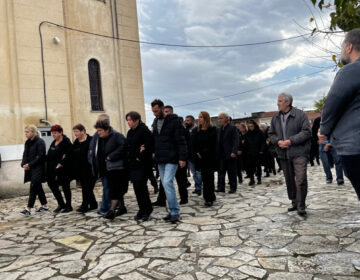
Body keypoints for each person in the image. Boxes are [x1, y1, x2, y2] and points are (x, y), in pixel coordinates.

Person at [319, 28, 360, 200]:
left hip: (355, 147)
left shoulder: (350, 71)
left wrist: (323, 131)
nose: (341, 51)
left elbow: (332, 103)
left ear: (349, 47)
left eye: (342, 46)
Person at [268, 93, 311, 216]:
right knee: (289, 180)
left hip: (299, 153)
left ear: (288, 102)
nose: (278, 103)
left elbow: (307, 132)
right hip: (283, 154)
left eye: (280, 100)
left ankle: (301, 204)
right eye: (278, 100)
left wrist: (291, 141)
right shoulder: (275, 117)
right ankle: (294, 202)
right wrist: (278, 141)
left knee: (301, 179)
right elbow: (271, 133)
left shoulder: (300, 115)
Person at [151, 99, 187, 223]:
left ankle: (175, 211)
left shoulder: (174, 121)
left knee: (167, 182)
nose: (155, 113)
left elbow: (181, 140)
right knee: (165, 184)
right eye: (153, 111)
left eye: (156, 111)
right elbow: (154, 139)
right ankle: (171, 210)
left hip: (172, 157)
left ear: (162, 108)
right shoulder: (155, 122)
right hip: (160, 159)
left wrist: (182, 158)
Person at [91, 119, 128, 220]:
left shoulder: (117, 136)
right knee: (115, 189)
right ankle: (121, 207)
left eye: (100, 131)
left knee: (115, 189)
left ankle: (111, 210)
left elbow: (124, 147)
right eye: (97, 131)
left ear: (107, 129)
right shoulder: (101, 138)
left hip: (117, 167)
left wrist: (111, 156)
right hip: (106, 168)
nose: (98, 133)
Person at [126, 111, 154, 221]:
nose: (128, 122)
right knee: (137, 188)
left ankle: (147, 209)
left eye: (130, 120)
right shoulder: (130, 132)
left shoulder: (144, 130)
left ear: (136, 120)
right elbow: (128, 145)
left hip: (143, 164)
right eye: (127, 120)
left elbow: (149, 145)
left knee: (141, 186)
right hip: (133, 164)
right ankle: (142, 208)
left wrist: (140, 155)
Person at [20, 125, 48, 216]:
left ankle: (28, 209)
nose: (25, 134)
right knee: (37, 186)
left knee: (33, 186)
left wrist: (30, 164)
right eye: (25, 132)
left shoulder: (40, 142)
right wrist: (24, 164)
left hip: (39, 168)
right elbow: (25, 154)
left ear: (33, 132)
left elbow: (41, 156)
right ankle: (44, 206)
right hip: (30, 168)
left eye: (27, 132)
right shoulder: (27, 142)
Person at [192, 111, 217, 206]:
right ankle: (210, 196)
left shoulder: (212, 129)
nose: (199, 119)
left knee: (209, 178)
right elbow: (193, 143)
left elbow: (212, 144)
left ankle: (209, 198)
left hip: (209, 157)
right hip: (199, 158)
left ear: (206, 118)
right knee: (204, 178)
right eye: (198, 117)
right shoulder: (196, 130)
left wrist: (202, 152)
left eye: (201, 117)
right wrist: (197, 153)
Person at [46, 125, 73, 213]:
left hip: (64, 169)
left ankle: (68, 206)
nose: (53, 135)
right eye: (52, 133)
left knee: (65, 186)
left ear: (61, 132)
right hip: (52, 169)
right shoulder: (54, 142)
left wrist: (61, 162)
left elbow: (68, 155)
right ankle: (61, 204)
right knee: (52, 184)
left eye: (55, 133)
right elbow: (49, 154)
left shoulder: (66, 141)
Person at [88, 114, 111, 215]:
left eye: (99, 121)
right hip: (100, 166)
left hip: (109, 166)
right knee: (107, 187)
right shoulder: (96, 135)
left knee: (107, 187)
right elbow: (91, 149)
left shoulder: (112, 135)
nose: (98, 124)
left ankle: (104, 207)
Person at [72, 124, 97, 213]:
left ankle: (84, 205)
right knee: (86, 188)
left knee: (87, 188)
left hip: (91, 169)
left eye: (77, 131)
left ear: (83, 131)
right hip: (80, 170)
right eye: (74, 131)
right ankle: (93, 204)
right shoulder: (76, 142)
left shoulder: (91, 140)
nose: (75, 133)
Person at [216, 113, 239, 193]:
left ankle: (233, 188)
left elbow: (236, 141)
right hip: (221, 154)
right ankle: (221, 187)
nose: (220, 120)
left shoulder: (232, 128)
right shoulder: (219, 129)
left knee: (231, 172)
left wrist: (234, 151)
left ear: (226, 118)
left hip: (230, 154)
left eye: (221, 118)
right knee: (221, 172)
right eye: (219, 118)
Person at [185, 115, 203, 195]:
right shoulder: (186, 130)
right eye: (186, 120)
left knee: (198, 172)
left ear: (193, 121)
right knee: (194, 173)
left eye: (188, 120)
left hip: (197, 155)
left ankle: (199, 187)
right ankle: (197, 187)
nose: (186, 122)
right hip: (189, 155)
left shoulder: (198, 129)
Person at [245, 120, 265, 186]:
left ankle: (259, 179)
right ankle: (252, 179)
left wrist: (261, 150)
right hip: (249, 152)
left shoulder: (259, 132)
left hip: (258, 152)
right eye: (249, 126)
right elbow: (246, 143)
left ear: (254, 126)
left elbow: (263, 142)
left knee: (258, 166)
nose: (251, 128)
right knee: (250, 167)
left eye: (252, 126)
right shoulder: (247, 134)